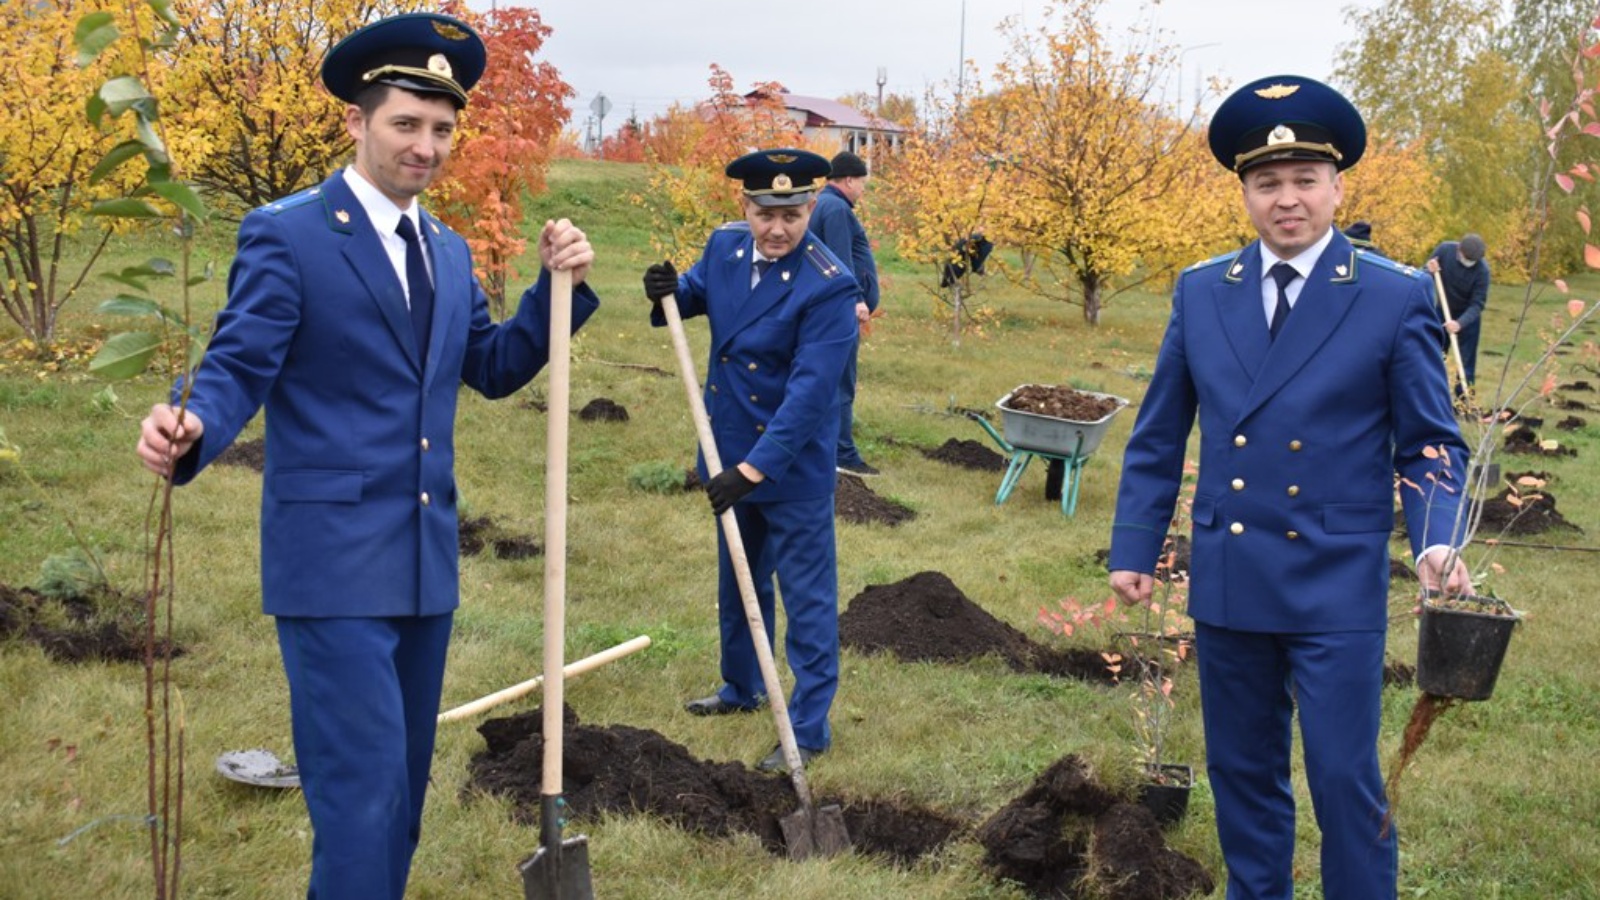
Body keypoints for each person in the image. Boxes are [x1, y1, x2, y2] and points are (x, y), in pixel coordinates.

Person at [133, 14, 600, 898]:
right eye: (405, 124)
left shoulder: (448, 251)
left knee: (402, 802)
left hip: (424, 565)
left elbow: (491, 366)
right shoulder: (290, 234)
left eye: (442, 129)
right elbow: (239, 362)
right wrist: (193, 423)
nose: (426, 147)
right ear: (356, 121)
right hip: (332, 563)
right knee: (361, 797)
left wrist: (555, 289)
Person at [1106, 75, 1471, 900]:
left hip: (1335, 575)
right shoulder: (1204, 290)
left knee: (1344, 778)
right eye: (1268, 183)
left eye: (1306, 179)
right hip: (1231, 574)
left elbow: (1428, 444)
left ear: (1338, 187)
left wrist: (1436, 539)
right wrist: (1134, 545)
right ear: (1245, 193)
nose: (1288, 199)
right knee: (1242, 774)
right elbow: (1160, 432)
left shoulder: (1391, 294)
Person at [641, 148, 857, 773]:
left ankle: (809, 727)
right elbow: (693, 296)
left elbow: (810, 396)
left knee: (806, 597)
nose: (778, 228)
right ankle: (742, 686)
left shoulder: (829, 284)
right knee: (739, 580)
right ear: (745, 206)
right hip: (727, 449)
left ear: (811, 208)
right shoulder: (725, 249)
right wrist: (667, 291)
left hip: (788, 466)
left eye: (792, 214)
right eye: (766, 214)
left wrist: (754, 471)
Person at [810, 150, 881, 476]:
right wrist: (855, 299)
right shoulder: (837, 208)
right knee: (841, 383)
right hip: (840, 311)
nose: (863, 189)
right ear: (849, 180)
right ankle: (843, 455)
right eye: (862, 183)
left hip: (828, 308)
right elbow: (840, 260)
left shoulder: (823, 204)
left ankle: (825, 446)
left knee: (829, 379)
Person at [1426, 233, 1490, 393]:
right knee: (1435, 354)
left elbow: (1477, 304)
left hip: (1468, 318)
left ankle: (1464, 399)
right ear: (1459, 250)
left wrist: (1459, 323)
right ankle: (1432, 393)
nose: (1470, 263)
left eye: (1473, 261)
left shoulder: (1482, 271)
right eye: (1468, 259)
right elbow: (1422, 277)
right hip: (1443, 310)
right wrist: (1429, 270)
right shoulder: (1444, 250)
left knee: (1466, 362)